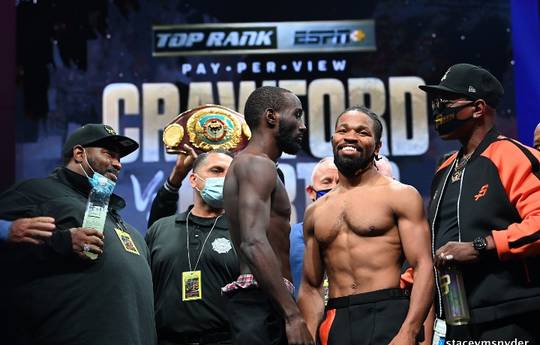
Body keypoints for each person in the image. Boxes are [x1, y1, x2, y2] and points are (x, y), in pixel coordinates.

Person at [0, 123, 156, 345]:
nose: (117, 164)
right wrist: (56, 241)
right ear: (79, 154)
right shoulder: (38, 192)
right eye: (109, 154)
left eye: (119, 158)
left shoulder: (116, 217)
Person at [419, 63, 540, 341]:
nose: (439, 109)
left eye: (447, 101)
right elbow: (434, 243)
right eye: (437, 101)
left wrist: (480, 246)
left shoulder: (511, 155)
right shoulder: (444, 168)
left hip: (512, 316)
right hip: (455, 321)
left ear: (478, 108)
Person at [298, 106, 433, 345]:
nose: (350, 136)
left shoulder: (400, 196)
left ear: (378, 147)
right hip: (337, 319)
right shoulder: (316, 211)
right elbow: (311, 286)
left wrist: (410, 331)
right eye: (343, 130)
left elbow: (423, 266)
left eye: (362, 132)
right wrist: (308, 337)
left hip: (388, 313)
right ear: (333, 140)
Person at [222, 86, 314, 345]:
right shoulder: (256, 164)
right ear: (271, 116)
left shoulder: (256, 165)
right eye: (297, 115)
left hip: (267, 300)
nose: (302, 126)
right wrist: (293, 316)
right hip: (261, 301)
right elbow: (252, 242)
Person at [146, 149, 239, 345]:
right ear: (194, 180)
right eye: (217, 170)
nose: (225, 178)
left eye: (231, 174)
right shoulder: (161, 228)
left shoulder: (243, 233)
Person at [290, 157, 339, 298]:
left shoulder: (359, 236)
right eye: (327, 181)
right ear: (311, 192)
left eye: (340, 182)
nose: (334, 188)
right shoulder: (290, 238)